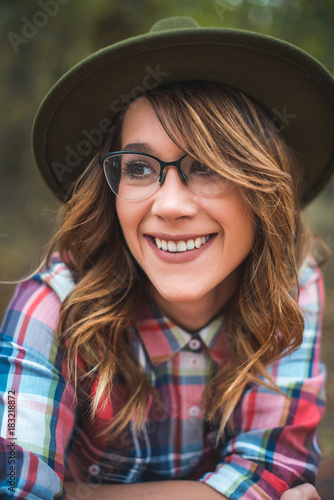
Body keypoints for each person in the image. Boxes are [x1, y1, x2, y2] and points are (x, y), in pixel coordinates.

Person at [1, 16, 333, 500]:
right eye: (138, 168)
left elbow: (274, 471)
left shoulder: (292, 283)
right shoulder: (53, 304)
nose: (170, 205)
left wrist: (75, 494)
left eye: (207, 167)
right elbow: (15, 481)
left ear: (265, 188)